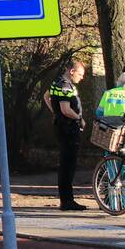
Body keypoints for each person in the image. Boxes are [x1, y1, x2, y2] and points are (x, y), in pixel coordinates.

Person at [95, 71, 125, 213]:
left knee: (111, 171)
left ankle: (114, 205)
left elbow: (99, 113)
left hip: (109, 136)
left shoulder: (108, 94)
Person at [44, 58, 86, 211]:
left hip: (62, 126)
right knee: (68, 165)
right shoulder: (65, 86)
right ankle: (67, 201)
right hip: (68, 128)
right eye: (80, 74)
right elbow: (66, 109)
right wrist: (79, 119)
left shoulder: (56, 83)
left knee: (65, 164)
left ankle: (66, 200)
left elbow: (46, 96)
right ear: (72, 71)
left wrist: (55, 113)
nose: (81, 77)